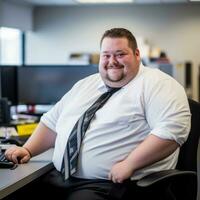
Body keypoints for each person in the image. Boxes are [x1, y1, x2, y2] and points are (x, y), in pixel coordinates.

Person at [5, 28, 191, 200]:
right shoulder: (85, 85)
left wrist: (130, 164)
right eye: (106, 55)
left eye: (120, 54)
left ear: (136, 55)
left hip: (116, 185)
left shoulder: (158, 85)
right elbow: (52, 122)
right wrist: (27, 149)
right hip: (61, 177)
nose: (112, 61)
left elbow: (172, 131)